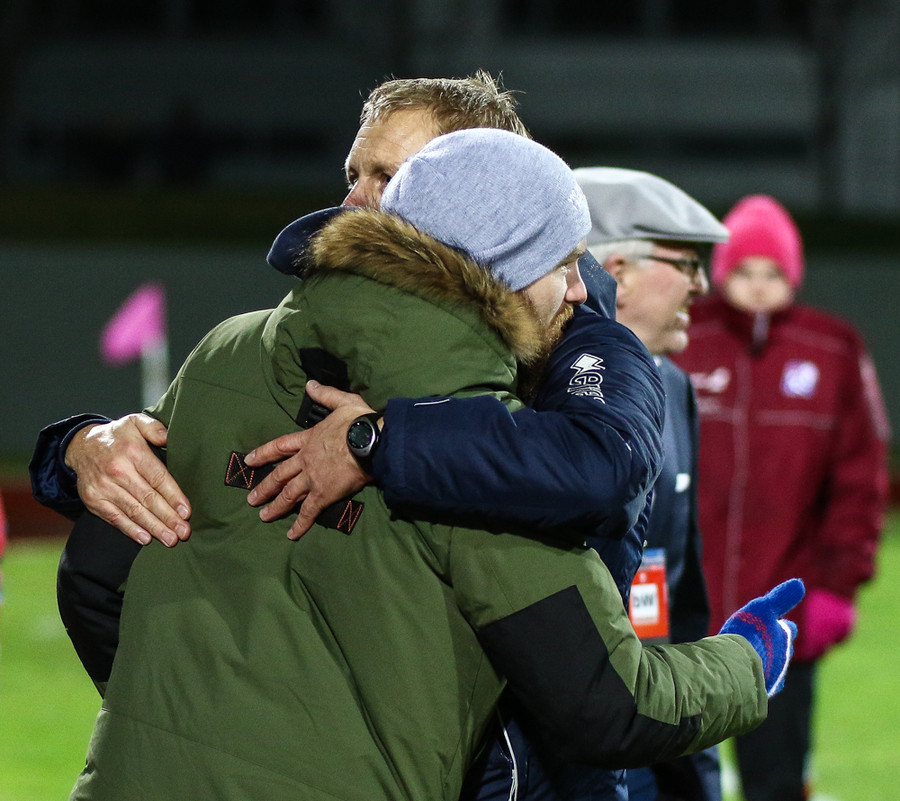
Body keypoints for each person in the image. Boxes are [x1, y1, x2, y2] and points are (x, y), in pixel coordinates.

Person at [66, 129, 797, 801]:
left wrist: (189, 730)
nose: (581, 292)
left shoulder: (227, 349)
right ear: (505, 268)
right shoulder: (488, 448)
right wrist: (748, 660)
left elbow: (96, 578)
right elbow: (604, 704)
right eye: (564, 264)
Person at [671, 194, 890, 801]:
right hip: (682, 617)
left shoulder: (833, 348)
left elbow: (859, 481)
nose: (759, 285)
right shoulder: (683, 339)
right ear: (721, 273)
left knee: (777, 785)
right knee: (671, 782)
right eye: (745, 270)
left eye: (773, 272)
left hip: (781, 622)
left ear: (794, 275)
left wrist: (838, 588)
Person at [574, 166, 728, 801]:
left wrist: (698, 761)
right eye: (686, 264)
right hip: (571, 735)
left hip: (656, 726)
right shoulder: (543, 387)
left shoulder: (672, 385)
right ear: (618, 270)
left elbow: (681, 591)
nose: (703, 284)